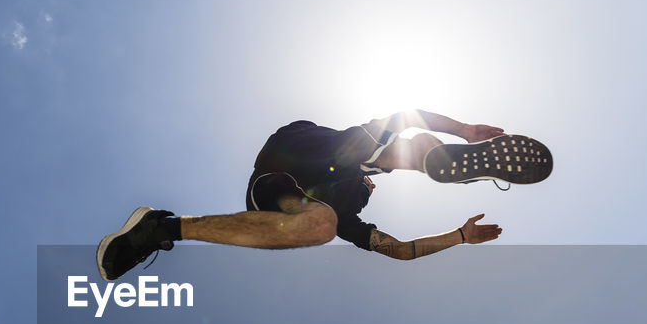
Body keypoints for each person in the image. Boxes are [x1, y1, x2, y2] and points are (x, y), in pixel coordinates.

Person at [96, 109, 552, 281]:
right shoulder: (353, 154)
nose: (367, 194)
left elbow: (400, 251)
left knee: (322, 224)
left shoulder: (344, 211)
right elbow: (403, 113)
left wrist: (459, 236)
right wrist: (465, 130)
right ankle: (426, 158)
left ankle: (162, 226)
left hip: (299, 193)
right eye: (367, 189)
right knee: (367, 154)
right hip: (284, 159)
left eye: (367, 190)